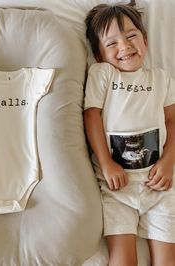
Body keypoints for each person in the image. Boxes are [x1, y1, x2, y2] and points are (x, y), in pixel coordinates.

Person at [84, 2, 175, 266]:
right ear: (99, 55)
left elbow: (172, 120)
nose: (124, 46)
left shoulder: (161, 79)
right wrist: (106, 163)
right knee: (122, 261)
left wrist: (169, 162)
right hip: (117, 189)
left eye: (131, 35)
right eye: (111, 43)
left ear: (145, 40)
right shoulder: (103, 74)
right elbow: (91, 117)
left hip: (160, 185)